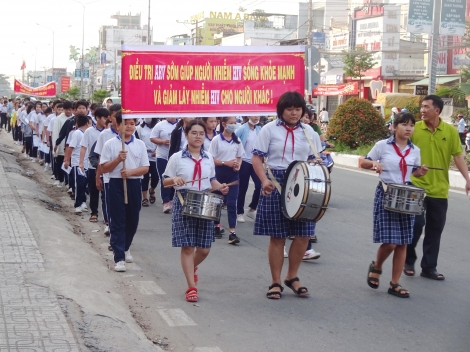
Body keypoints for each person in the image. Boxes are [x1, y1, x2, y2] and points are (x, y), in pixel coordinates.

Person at [251, 91, 322, 299]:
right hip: (276, 182)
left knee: (303, 234)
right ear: (281, 110)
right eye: (289, 109)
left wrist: (318, 164)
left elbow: (317, 158)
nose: (294, 113)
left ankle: (292, 276)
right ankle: (275, 281)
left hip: (302, 182)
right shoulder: (269, 130)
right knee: (278, 235)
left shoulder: (309, 132)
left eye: (298, 109)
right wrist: (264, 180)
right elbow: (256, 158)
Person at [361, 113, 428, 298]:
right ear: (394, 127)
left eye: (411, 125)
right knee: (390, 242)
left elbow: (414, 172)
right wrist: (374, 163)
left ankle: (394, 283)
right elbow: (362, 162)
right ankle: (377, 266)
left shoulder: (414, 150)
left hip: (406, 195)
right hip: (386, 192)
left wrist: (420, 171)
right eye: (404, 125)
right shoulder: (382, 145)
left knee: (403, 243)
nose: (408, 129)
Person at [404, 95, 470, 280]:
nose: (422, 110)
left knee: (435, 229)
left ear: (437, 111)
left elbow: (458, 156)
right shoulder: (414, 129)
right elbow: (403, 151)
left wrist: (467, 179)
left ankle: (429, 267)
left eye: (426, 107)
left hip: (440, 189)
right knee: (416, 225)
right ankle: (409, 260)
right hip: (415, 186)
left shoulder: (449, 131)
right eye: (421, 106)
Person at [162, 119, 228, 302]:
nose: (198, 137)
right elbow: (165, 181)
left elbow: (211, 181)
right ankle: (191, 286)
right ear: (186, 135)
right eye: (194, 133)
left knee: (205, 249)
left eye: (201, 133)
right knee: (188, 245)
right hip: (184, 201)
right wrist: (174, 180)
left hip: (205, 203)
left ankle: (192, 267)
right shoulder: (177, 158)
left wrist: (220, 187)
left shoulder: (208, 158)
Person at [100, 114, 149, 272]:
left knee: (133, 220)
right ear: (117, 126)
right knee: (118, 220)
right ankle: (118, 256)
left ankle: (126, 247)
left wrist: (131, 172)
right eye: (125, 123)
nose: (129, 126)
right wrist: (117, 160)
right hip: (115, 183)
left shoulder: (140, 144)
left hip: (134, 183)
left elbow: (145, 168)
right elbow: (103, 168)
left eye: (132, 123)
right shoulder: (110, 144)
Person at [209, 116, 244, 244]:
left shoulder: (237, 140)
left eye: (235, 123)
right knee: (216, 201)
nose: (233, 125)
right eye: (231, 123)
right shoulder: (216, 140)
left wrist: (237, 164)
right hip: (219, 173)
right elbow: (211, 159)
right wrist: (225, 163)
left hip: (233, 174)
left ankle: (232, 232)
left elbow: (240, 157)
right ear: (223, 124)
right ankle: (216, 225)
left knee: (231, 202)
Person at [95, 104, 122, 237]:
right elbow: (100, 157)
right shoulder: (104, 135)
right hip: (108, 176)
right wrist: (98, 176)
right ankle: (108, 223)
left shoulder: (131, 134)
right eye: (115, 115)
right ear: (110, 117)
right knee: (108, 202)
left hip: (124, 177)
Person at [80, 108, 109, 223]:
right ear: (97, 118)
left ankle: (106, 216)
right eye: (104, 118)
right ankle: (94, 212)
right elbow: (83, 147)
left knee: (105, 192)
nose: (106, 120)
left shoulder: (108, 132)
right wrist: (81, 162)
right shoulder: (89, 131)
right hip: (93, 166)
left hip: (107, 167)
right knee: (94, 191)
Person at [235, 116, 261, 223]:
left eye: (258, 115)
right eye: (254, 114)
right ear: (248, 116)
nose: (256, 117)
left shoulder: (260, 129)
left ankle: (252, 209)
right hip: (244, 161)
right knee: (243, 187)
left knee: (259, 185)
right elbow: (234, 141)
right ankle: (239, 212)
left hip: (256, 161)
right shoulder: (242, 129)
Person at [150, 117, 178, 213]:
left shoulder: (180, 125)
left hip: (175, 157)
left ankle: (171, 200)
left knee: (175, 178)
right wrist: (162, 142)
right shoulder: (160, 125)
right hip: (162, 156)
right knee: (165, 178)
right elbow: (152, 138)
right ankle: (165, 201)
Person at [68, 115, 90, 213]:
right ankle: (77, 205)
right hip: (77, 163)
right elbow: (70, 147)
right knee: (79, 184)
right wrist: (67, 160)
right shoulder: (77, 133)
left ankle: (83, 202)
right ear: (87, 123)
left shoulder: (86, 134)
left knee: (84, 184)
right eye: (90, 123)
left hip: (86, 163)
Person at [138, 118, 159, 207]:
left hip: (155, 156)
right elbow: (137, 140)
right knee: (144, 178)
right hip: (144, 156)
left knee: (156, 176)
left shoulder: (158, 126)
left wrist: (158, 150)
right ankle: (144, 198)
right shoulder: (140, 128)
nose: (147, 118)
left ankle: (152, 189)